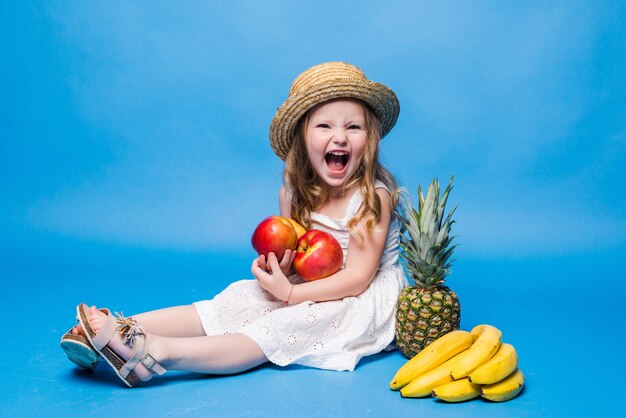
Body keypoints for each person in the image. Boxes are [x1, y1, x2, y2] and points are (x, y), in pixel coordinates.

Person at [61, 61, 408, 387]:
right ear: (304, 137)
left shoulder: (372, 198)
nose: (340, 137)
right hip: (310, 284)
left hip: (357, 297)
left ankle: (155, 351)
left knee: (277, 328)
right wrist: (281, 272)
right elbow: (299, 253)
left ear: (370, 137)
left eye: (353, 126)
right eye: (324, 125)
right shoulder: (294, 193)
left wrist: (292, 294)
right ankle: (121, 328)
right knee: (235, 301)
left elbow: (357, 278)